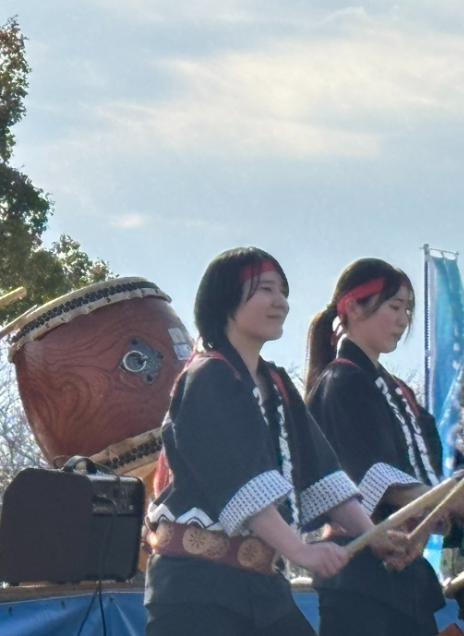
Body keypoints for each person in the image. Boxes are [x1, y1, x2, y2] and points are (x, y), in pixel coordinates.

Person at [144, 247, 407, 636]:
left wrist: (374, 536)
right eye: (265, 289)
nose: (280, 302)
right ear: (225, 298)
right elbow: (242, 482)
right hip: (197, 590)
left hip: (263, 590)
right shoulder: (208, 377)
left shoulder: (279, 385)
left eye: (283, 291)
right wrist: (301, 551)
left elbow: (323, 477)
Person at [305, 258, 455, 636]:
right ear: (352, 307)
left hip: (404, 579)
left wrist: (436, 517)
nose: (403, 319)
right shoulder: (340, 382)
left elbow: (425, 478)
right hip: (358, 579)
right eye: (394, 306)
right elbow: (371, 476)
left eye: (407, 309)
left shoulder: (398, 394)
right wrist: (445, 498)